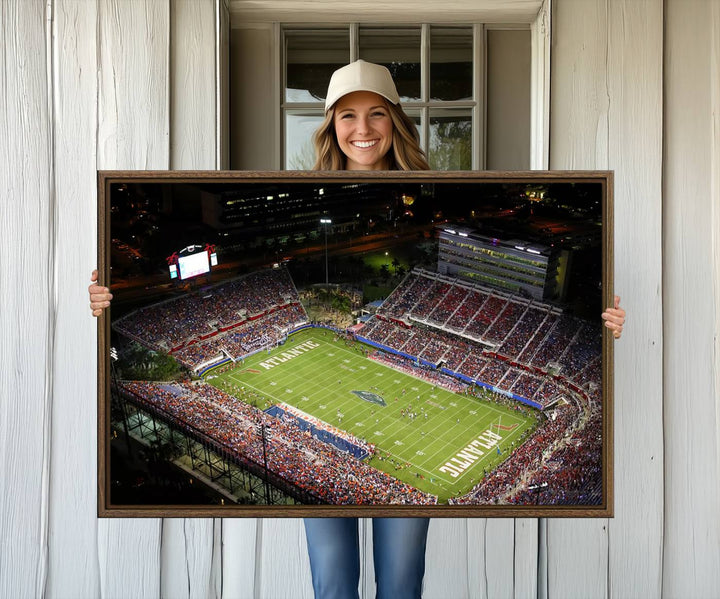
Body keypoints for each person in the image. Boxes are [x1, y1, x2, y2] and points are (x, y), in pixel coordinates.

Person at [88, 60, 626, 599]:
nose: (362, 130)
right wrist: (104, 298)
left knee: (399, 581)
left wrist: (604, 322)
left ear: (396, 121)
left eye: (376, 115)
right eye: (348, 115)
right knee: (333, 581)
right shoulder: (306, 188)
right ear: (330, 125)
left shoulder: (432, 188)